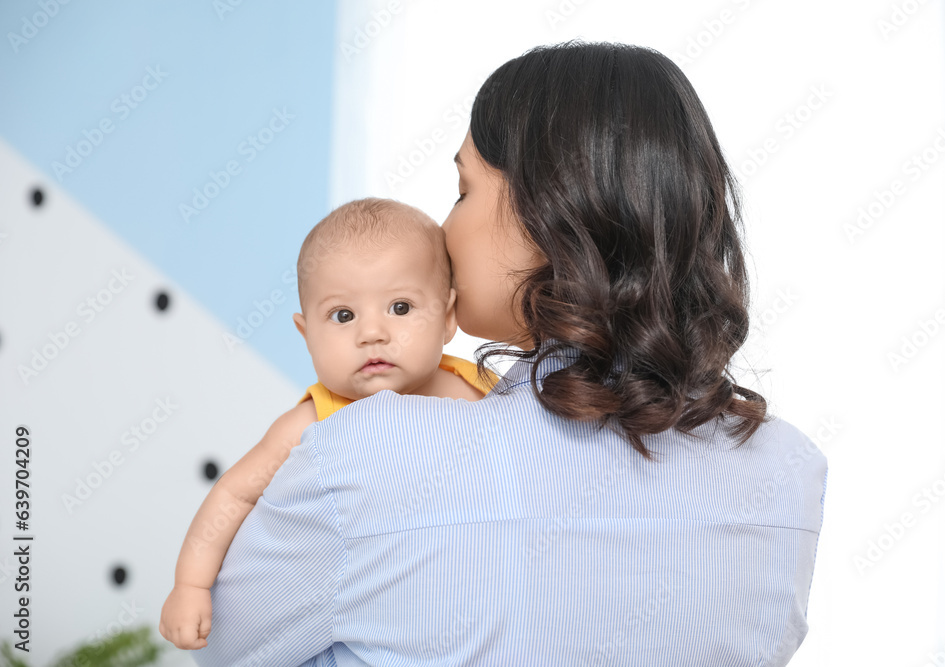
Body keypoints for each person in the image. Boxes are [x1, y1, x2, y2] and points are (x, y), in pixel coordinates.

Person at [192, 40, 828, 666]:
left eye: (464, 190)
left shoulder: (369, 448)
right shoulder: (786, 468)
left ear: (546, 210)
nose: (442, 229)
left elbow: (224, 649)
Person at [159, 197, 499, 651]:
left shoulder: (480, 389)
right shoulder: (312, 420)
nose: (372, 333)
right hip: (380, 618)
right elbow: (235, 493)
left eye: (400, 307)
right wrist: (191, 586)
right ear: (307, 335)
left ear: (448, 315)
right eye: (343, 316)